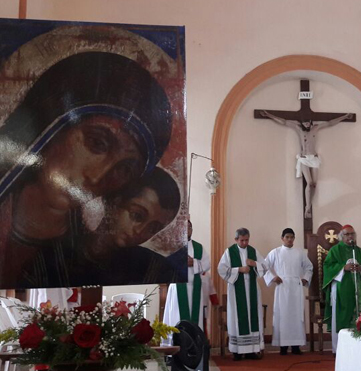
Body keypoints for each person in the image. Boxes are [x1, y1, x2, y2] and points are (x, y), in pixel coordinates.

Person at [0, 51, 173, 288]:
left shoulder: (82, 256)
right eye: (97, 143)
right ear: (50, 126)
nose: (97, 177)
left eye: (124, 168)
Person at [21, 166, 182, 287]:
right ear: (115, 201)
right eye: (137, 216)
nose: (140, 231)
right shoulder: (52, 257)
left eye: (153, 228)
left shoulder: (154, 269)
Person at [259, 110, 353, 218]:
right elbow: (283, 121)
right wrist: (269, 115)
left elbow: (330, 123)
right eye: (305, 122)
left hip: (314, 158)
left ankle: (309, 204)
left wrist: (344, 116)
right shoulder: (298, 128)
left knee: (314, 184)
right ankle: (308, 207)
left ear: (311, 122)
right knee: (309, 182)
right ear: (302, 123)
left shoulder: (315, 128)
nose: (307, 124)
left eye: (308, 122)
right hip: (304, 159)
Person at [323, 224, 361, 353]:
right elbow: (327, 267)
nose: (350, 237)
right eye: (347, 234)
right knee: (342, 316)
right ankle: (340, 349)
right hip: (342, 289)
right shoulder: (335, 250)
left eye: (352, 234)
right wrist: (343, 268)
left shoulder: (359, 251)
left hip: (359, 289)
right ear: (342, 236)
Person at [217, 228, 266, 361]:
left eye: (247, 240)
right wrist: (239, 269)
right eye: (242, 240)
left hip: (252, 290)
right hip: (236, 291)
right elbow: (221, 269)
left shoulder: (253, 251)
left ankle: (252, 350)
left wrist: (254, 263)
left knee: (252, 317)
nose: (245, 243)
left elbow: (265, 266)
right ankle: (237, 351)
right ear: (236, 239)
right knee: (237, 318)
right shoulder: (229, 252)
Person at [264, 228, 313, 355]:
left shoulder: (299, 253)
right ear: (282, 238)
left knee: (296, 316)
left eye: (292, 237)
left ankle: (296, 345)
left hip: (296, 287)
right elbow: (264, 266)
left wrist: (305, 279)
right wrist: (273, 277)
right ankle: (283, 346)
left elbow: (309, 267)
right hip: (283, 286)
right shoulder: (276, 252)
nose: (290, 239)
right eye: (287, 237)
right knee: (283, 315)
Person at [164, 220, 215, 337]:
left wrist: (194, 262)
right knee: (176, 316)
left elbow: (207, 264)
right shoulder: (172, 246)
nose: (188, 230)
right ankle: (176, 344)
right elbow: (164, 265)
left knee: (194, 318)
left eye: (190, 227)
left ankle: (195, 345)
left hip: (194, 288)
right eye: (185, 227)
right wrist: (180, 262)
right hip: (178, 289)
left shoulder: (198, 247)